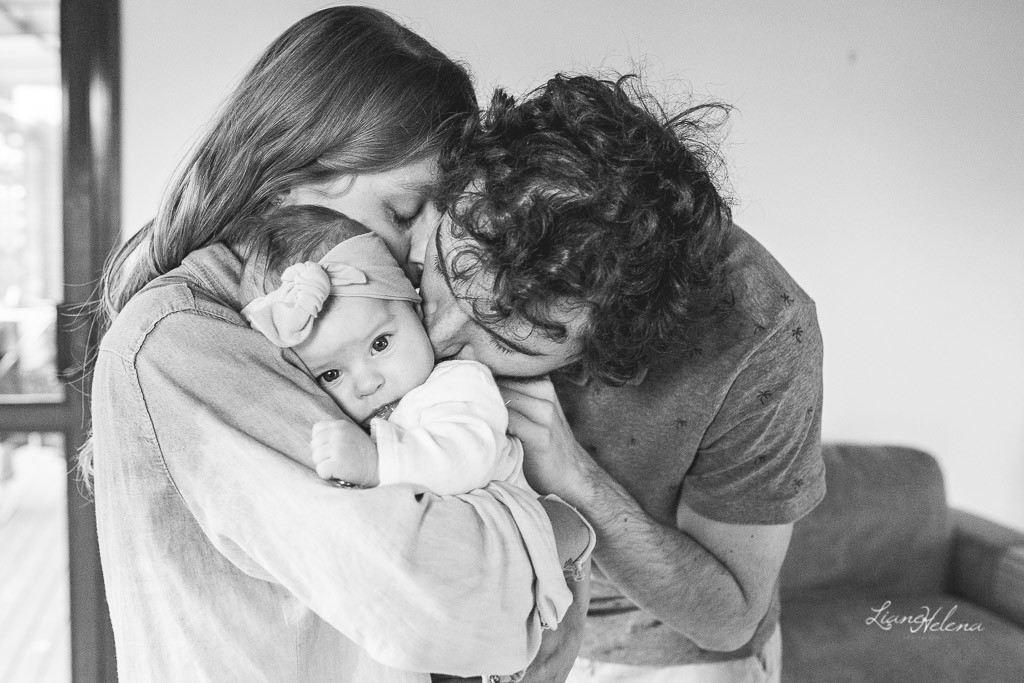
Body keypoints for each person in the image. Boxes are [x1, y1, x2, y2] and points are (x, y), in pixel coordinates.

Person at [87, 8, 592, 682]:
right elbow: (454, 602)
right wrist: (556, 532)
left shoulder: (354, 331)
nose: (420, 255)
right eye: (404, 213)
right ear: (292, 170)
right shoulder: (182, 339)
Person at [413, 74, 827, 682]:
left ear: (607, 349)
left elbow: (730, 616)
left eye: (501, 338)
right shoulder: (444, 199)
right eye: (445, 272)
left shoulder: (765, 333)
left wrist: (572, 476)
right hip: (476, 629)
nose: (437, 339)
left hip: (659, 656)